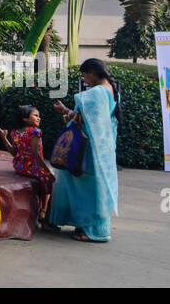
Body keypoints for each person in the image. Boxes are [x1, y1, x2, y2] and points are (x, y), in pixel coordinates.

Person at [49, 57, 120, 243]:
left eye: (84, 75)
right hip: (102, 147)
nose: (84, 79)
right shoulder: (112, 91)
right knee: (95, 186)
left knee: (85, 187)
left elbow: (88, 120)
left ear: (92, 72)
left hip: (88, 148)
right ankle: (90, 227)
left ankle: (92, 231)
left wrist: (65, 111)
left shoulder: (96, 93)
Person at [0, 105, 55, 222]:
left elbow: (13, 152)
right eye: (36, 116)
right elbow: (36, 154)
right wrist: (48, 171)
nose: (39, 118)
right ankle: (44, 210)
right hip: (32, 168)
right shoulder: (35, 132)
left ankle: (43, 210)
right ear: (25, 118)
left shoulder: (15, 132)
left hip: (20, 167)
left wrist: (4, 138)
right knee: (51, 181)